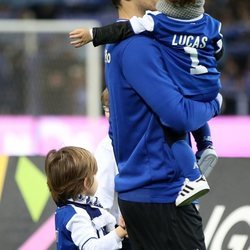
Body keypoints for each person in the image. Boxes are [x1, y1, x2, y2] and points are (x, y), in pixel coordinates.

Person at [70, 0, 223, 248]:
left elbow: (115, 128)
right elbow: (178, 116)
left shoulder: (118, 42)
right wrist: (215, 104)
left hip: (139, 192)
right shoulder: (138, 46)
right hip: (162, 194)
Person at [44, 146, 127, 250]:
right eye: (94, 175)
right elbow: (92, 247)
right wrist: (119, 232)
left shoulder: (86, 209)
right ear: (87, 182)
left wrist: (120, 228)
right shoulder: (76, 216)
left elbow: (109, 227)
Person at [95, 88, 132, 250]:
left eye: (113, 108)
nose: (109, 114)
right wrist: (118, 231)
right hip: (125, 233)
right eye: (106, 109)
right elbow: (103, 200)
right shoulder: (107, 147)